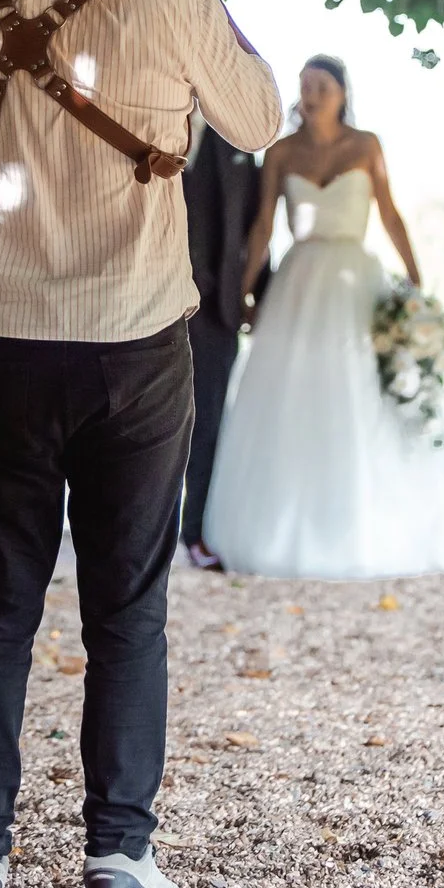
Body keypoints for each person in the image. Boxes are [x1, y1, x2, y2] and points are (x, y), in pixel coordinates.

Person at [0, 0, 280, 888]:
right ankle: (116, 855)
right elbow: (256, 121)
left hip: (4, 335)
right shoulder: (175, 1)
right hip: (133, 341)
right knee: (126, 606)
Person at [200, 57, 444, 579]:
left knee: (360, 391)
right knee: (292, 394)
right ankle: (283, 529)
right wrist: (245, 292)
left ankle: (366, 525)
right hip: (298, 282)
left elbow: (389, 214)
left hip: (355, 281)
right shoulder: (280, 152)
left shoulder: (366, 146)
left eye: (322, 85)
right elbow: (260, 229)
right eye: (304, 85)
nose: (312, 93)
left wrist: (416, 285)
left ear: (343, 93)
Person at [179, 119, 268, 570]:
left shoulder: (238, 142)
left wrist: (262, 298)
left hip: (218, 312)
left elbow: (254, 223)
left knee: (208, 423)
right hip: (148, 301)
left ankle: (193, 534)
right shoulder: (149, 115)